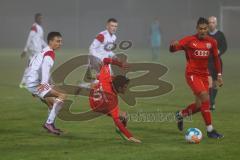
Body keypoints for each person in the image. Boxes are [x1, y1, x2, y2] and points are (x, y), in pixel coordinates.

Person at [169, 17, 224, 139]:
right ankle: (210, 130)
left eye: (205, 28)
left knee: (200, 106)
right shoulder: (189, 40)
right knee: (206, 98)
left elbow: (216, 59)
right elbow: (174, 49)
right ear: (197, 29)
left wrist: (219, 75)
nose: (203, 31)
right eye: (200, 29)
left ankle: (181, 114)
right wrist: (173, 46)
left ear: (208, 29)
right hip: (192, 74)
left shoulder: (212, 42)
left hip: (204, 75)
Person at [89, 57, 141, 143]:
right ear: (119, 87)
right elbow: (116, 120)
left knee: (100, 78)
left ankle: (95, 81)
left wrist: (120, 64)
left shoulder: (106, 77)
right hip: (99, 106)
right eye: (124, 87)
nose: (126, 89)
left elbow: (105, 60)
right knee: (124, 116)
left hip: (94, 97)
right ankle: (121, 131)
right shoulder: (112, 100)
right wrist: (130, 136)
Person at [25, 32, 66, 135]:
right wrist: (43, 83)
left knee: (52, 103)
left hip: (32, 82)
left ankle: (50, 126)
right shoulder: (50, 53)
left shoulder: (43, 51)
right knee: (62, 95)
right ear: (50, 41)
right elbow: (45, 68)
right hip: (37, 83)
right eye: (57, 41)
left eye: (61, 41)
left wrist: (31, 83)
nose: (60, 43)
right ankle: (49, 124)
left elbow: (30, 63)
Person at [86, 18, 118, 83]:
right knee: (103, 81)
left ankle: (83, 86)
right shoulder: (102, 35)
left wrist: (114, 56)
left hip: (104, 61)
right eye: (112, 26)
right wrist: (97, 59)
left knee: (109, 80)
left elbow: (107, 50)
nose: (114, 28)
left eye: (115, 26)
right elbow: (91, 48)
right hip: (96, 60)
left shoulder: (114, 37)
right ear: (107, 26)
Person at [20, 13, 47, 88]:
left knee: (31, 66)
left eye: (41, 18)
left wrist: (48, 47)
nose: (41, 19)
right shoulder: (34, 27)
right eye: (39, 18)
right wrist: (25, 49)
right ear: (36, 19)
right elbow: (30, 37)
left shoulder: (40, 28)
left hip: (37, 50)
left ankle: (24, 82)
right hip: (35, 50)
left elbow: (41, 40)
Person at [208, 16, 227, 110]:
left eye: (213, 22)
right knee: (209, 83)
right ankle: (211, 103)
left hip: (217, 62)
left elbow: (225, 46)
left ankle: (212, 102)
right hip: (207, 62)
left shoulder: (220, 35)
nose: (211, 24)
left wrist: (219, 51)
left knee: (215, 84)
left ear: (216, 23)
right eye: (209, 22)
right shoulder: (205, 34)